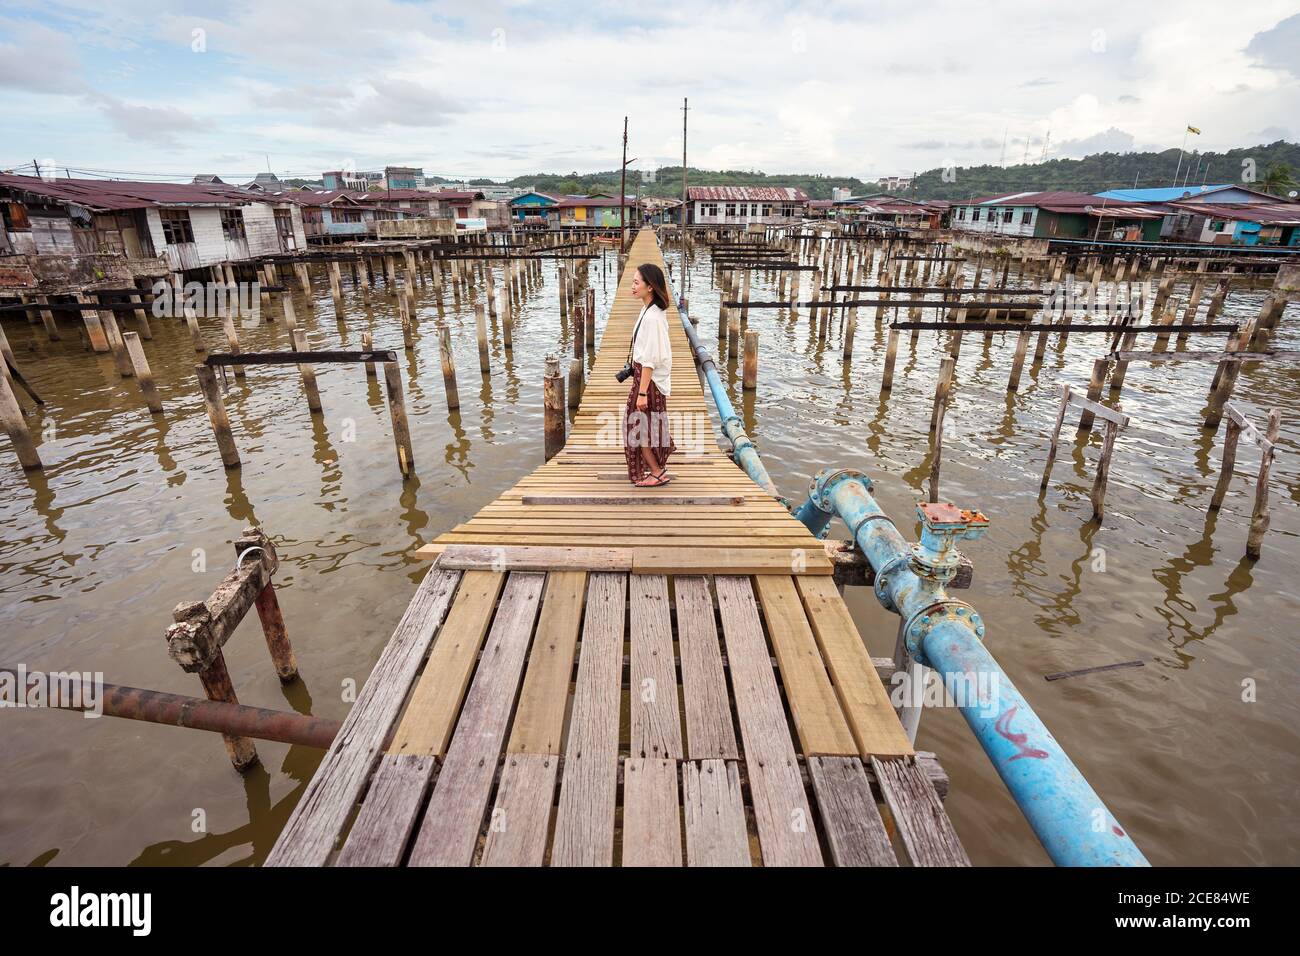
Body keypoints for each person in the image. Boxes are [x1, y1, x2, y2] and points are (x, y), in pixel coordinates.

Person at [624, 263, 676, 487]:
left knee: (640, 428)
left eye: (637, 282)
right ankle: (656, 468)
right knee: (643, 427)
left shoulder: (653, 317)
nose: (632, 286)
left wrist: (642, 393)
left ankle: (657, 472)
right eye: (633, 281)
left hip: (649, 382)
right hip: (644, 379)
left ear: (650, 287)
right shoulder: (648, 309)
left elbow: (650, 360)